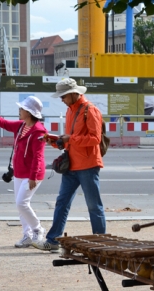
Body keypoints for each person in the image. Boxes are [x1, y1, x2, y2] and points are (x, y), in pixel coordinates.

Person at [33, 78, 105, 252]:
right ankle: (53, 240)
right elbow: (70, 140)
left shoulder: (90, 110)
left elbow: (96, 139)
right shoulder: (71, 111)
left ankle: (101, 243)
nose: (61, 99)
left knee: (94, 206)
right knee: (62, 203)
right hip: (72, 165)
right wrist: (54, 140)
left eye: (63, 96)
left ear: (74, 94)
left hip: (88, 165)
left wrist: (69, 139)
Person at [0, 97, 48, 248]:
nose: (19, 111)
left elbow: (38, 156)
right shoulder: (21, 126)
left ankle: (37, 229)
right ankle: (27, 235)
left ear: (29, 112)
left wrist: (33, 176)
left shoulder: (39, 131)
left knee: (21, 203)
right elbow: (3, 123)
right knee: (20, 205)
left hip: (32, 174)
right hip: (19, 172)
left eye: (22, 109)